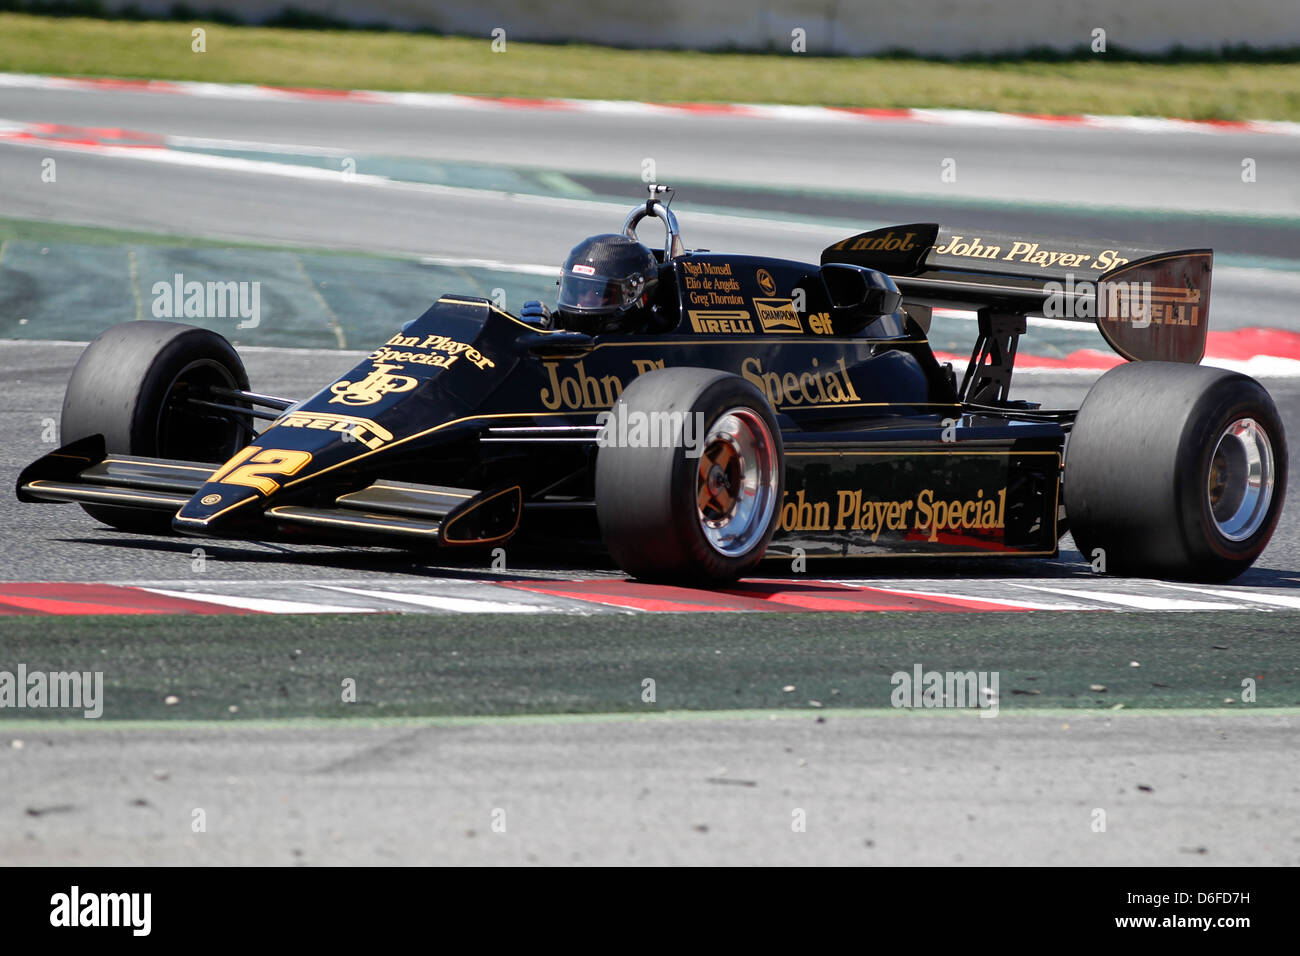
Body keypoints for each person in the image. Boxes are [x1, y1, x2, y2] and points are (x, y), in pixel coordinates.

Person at [520, 234, 666, 334]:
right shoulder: (552, 328)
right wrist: (544, 333)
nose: (584, 300)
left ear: (633, 295)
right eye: (579, 290)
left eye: (598, 291)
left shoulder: (661, 348)